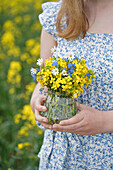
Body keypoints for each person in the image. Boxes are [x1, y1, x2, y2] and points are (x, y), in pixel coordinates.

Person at [30, 0, 113, 169]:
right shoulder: (57, 15)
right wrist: (37, 101)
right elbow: (44, 79)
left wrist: (103, 121)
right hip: (63, 156)